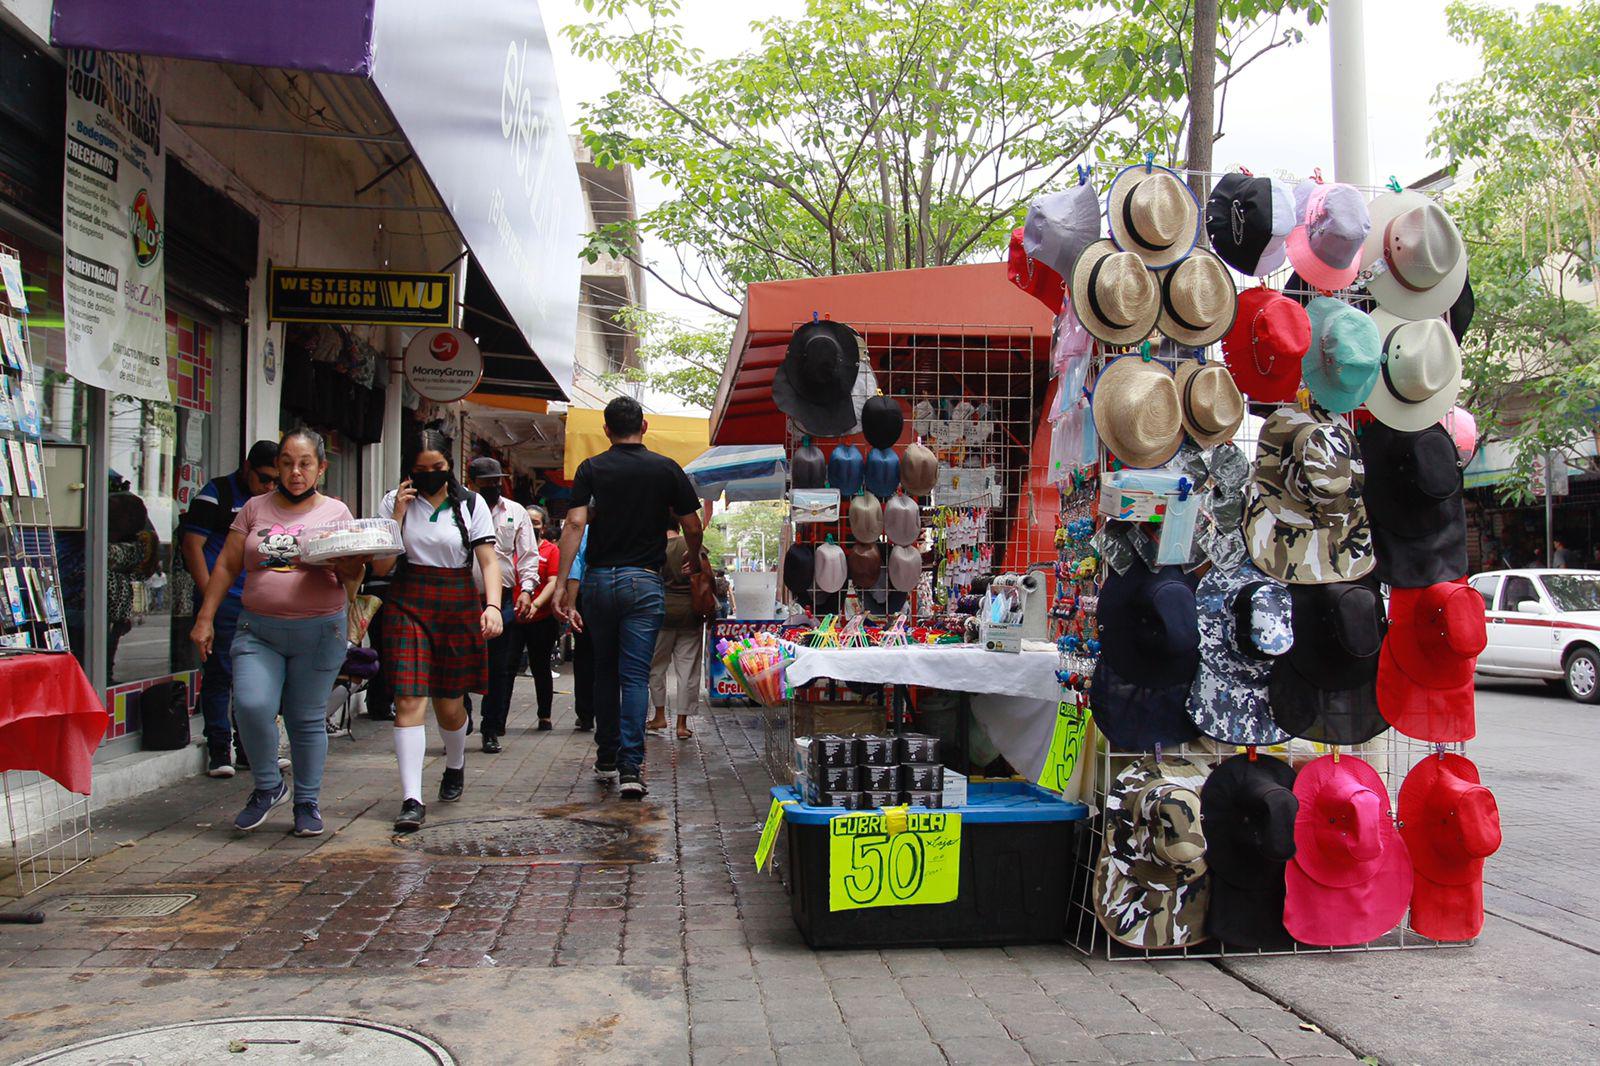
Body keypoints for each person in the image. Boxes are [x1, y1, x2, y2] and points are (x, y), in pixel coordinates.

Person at [190, 429, 363, 837]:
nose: (295, 472)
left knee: (305, 718)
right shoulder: (254, 508)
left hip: (319, 632)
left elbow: (354, 580)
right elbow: (227, 565)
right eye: (287, 463)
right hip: (258, 630)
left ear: (321, 468)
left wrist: (346, 563)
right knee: (250, 705)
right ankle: (269, 786)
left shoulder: (337, 513)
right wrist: (205, 618)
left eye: (305, 464)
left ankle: (307, 802)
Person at [554, 396, 704, 800]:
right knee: (635, 675)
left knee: (605, 671)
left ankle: (606, 757)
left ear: (606, 430)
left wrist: (561, 584)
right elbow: (693, 524)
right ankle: (631, 769)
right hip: (644, 582)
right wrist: (693, 557)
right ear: (645, 426)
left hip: (600, 581)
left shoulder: (591, 468)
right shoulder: (666, 468)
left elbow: (574, 524)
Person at [370, 431, 502, 832]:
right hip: (407, 600)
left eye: (437, 468)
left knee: (449, 705)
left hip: (457, 601)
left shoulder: (471, 504)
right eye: (421, 469)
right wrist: (395, 517)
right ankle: (412, 798)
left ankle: (455, 763)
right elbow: (380, 567)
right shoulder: (394, 502)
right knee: (409, 698)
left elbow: (488, 561)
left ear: (450, 466)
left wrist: (493, 606)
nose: (429, 475)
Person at [178, 440, 280, 777]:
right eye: (264, 478)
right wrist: (211, 596)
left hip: (257, 599)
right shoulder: (216, 494)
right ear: (247, 468)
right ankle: (219, 749)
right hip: (221, 600)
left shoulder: (272, 501)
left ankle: (251, 748)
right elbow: (192, 545)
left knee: (254, 676)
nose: (269, 486)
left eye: (275, 481)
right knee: (220, 673)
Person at [464, 457, 538, 752]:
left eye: (497, 481)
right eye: (486, 482)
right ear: (472, 483)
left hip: (503, 599)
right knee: (460, 661)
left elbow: (529, 554)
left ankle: (492, 727)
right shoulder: (460, 509)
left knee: (500, 667)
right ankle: (459, 719)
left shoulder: (515, 512)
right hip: (464, 598)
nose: (493, 486)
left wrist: (527, 589)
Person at [647, 517, 710, 740]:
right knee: (688, 669)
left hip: (660, 613)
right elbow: (707, 576)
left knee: (656, 667)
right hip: (691, 613)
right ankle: (682, 724)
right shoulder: (691, 545)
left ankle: (659, 716)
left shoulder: (653, 546)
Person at [106, 492, 160, 683]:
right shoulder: (135, 546)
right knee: (107, 652)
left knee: (105, 653)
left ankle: (106, 677)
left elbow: (108, 554)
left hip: (110, 612)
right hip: (115, 611)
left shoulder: (130, 548)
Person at [521, 504, 563, 731]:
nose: (531, 526)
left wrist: (536, 604)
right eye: (527, 522)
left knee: (541, 667)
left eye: (535, 523)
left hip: (542, 618)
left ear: (544, 527)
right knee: (504, 669)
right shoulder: (511, 549)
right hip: (515, 617)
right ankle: (496, 722)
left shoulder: (551, 550)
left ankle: (544, 715)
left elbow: (553, 581)